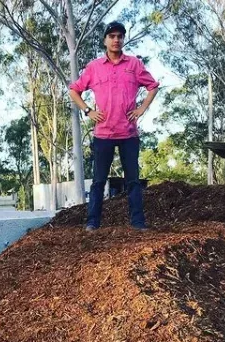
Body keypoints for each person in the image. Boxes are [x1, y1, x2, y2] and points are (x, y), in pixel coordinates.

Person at [68, 21, 159, 231]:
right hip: (103, 134)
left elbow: (153, 86)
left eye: (120, 36)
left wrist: (141, 109)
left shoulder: (134, 64)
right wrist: (88, 110)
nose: (116, 40)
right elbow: (74, 90)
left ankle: (138, 223)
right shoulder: (94, 68)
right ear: (105, 40)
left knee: (133, 181)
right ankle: (92, 223)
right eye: (112, 36)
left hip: (128, 133)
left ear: (123, 39)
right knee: (98, 181)